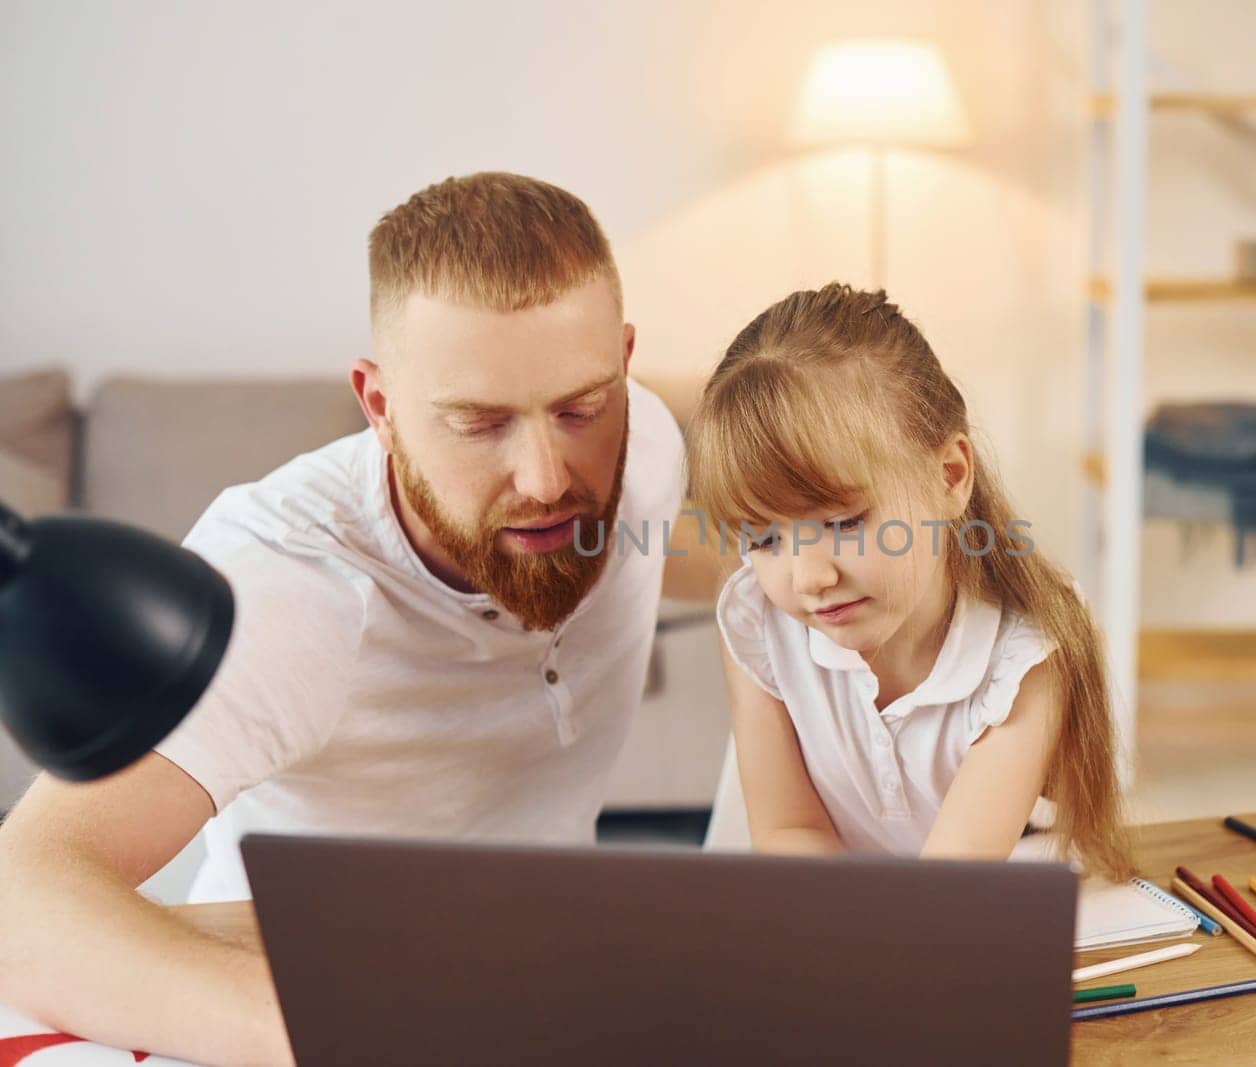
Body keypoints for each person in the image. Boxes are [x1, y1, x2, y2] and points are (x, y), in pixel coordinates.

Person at [0, 172, 715, 1065]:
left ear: (624, 362)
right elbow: (20, 901)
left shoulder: (643, 446)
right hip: (304, 1001)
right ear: (379, 405)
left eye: (579, 407)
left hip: (545, 980)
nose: (545, 477)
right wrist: (341, 1030)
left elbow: (747, 559)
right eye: (479, 423)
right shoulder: (289, 589)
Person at [687, 283, 1133, 875]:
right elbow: (789, 828)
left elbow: (946, 888)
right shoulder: (757, 619)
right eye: (764, 539)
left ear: (949, 477)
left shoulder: (1024, 656)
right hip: (821, 920)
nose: (811, 577)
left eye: (844, 522)